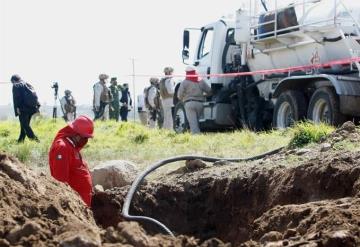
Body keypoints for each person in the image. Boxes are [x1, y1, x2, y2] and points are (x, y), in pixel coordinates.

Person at [48, 115, 94, 207]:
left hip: (82, 203)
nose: (86, 141)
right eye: (85, 138)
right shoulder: (63, 148)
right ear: (76, 135)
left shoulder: (72, 146)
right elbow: (60, 181)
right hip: (75, 206)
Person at [177, 66, 212, 134]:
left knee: (193, 124)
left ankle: (196, 139)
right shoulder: (201, 81)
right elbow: (210, 91)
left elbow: (179, 95)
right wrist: (203, 96)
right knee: (198, 122)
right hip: (200, 104)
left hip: (189, 104)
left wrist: (183, 99)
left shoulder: (184, 82)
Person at [11, 74, 40, 143]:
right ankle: (20, 141)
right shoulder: (27, 84)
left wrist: (17, 108)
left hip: (23, 109)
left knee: (25, 125)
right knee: (24, 125)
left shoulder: (16, 85)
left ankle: (35, 140)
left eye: (12, 82)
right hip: (31, 108)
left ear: (13, 80)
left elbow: (16, 98)